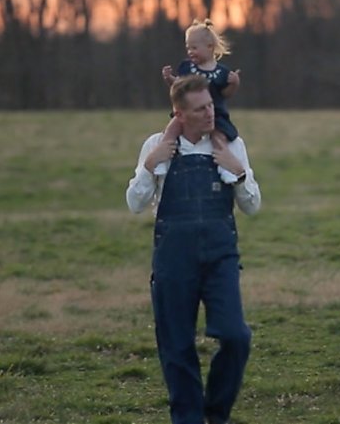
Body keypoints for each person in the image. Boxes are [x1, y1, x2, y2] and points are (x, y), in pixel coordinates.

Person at [126, 74, 261, 424]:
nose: (210, 114)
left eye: (211, 105)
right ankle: (187, 418)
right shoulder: (157, 145)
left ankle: (215, 413)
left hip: (220, 257)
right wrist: (150, 163)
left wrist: (240, 174)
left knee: (236, 336)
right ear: (179, 114)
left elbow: (252, 206)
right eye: (200, 109)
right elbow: (134, 203)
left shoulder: (231, 144)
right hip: (173, 259)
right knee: (177, 347)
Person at [156, 18, 242, 183]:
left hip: (216, 115)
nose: (190, 51)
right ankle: (161, 160)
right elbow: (179, 88)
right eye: (188, 48)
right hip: (188, 112)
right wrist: (169, 79)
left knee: (219, 139)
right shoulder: (187, 68)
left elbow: (225, 94)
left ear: (209, 47)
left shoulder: (221, 72)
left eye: (194, 48)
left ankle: (226, 169)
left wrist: (234, 83)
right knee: (171, 130)